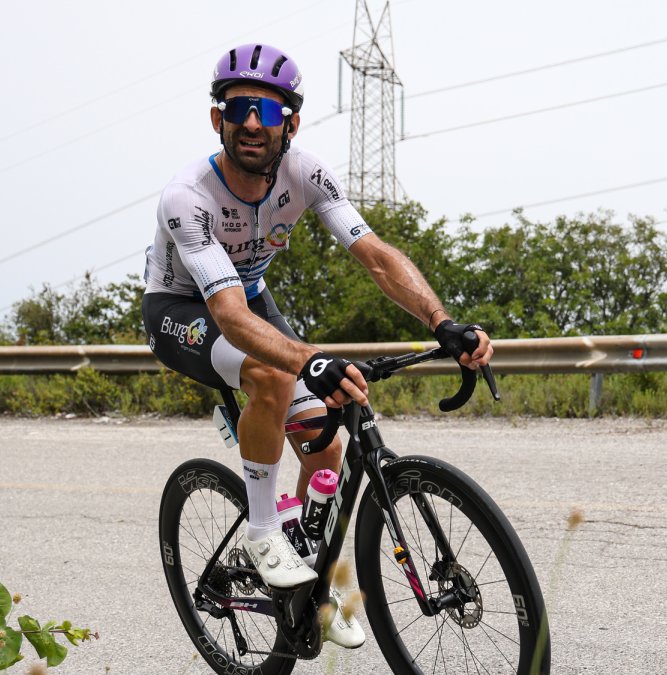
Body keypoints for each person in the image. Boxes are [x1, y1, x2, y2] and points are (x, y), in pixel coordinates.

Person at [141, 43, 492, 648]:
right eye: (239, 108)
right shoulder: (187, 196)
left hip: (251, 298)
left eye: (269, 112)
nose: (253, 123)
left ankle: (310, 587)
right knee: (273, 374)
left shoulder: (306, 174)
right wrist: (309, 359)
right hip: (183, 311)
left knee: (327, 446)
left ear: (293, 124)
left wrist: (442, 322)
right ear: (218, 118)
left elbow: (376, 257)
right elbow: (227, 314)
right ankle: (261, 532)